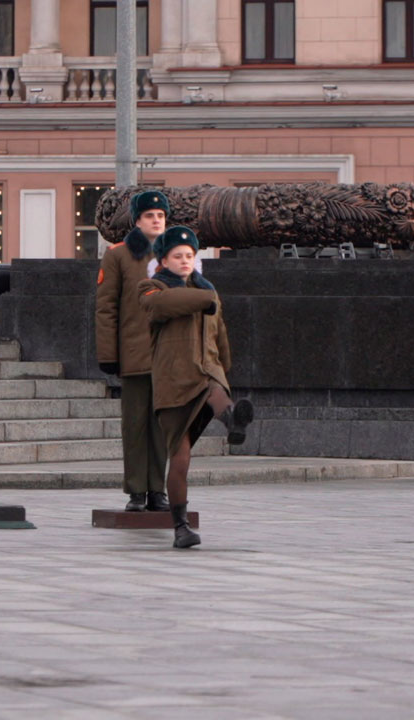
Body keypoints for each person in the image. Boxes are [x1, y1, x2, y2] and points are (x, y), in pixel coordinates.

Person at [138, 226, 254, 548]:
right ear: (163, 260)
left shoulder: (209, 291)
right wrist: (206, 298)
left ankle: (232, 417)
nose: (186, 260)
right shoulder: (151, 288)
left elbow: (220, 336)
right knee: (180, 459)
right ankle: (181, 527)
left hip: (205, 373)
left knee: (215, 390)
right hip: (174, 384)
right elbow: (160, 306)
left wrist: (225, 367)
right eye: (178, 256)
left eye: (190, 255)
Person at [96, 190, 170, 513]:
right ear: (137, 221)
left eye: (161, 216)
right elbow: (106, 308)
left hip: (169, 355)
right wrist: (108, 354)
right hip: (135, 353)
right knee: (135, 424)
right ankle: (136, 490)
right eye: (150, 216)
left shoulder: (177, 255)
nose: (156, 221)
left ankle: (158, 490)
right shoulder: (118, 255)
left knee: (162, 426)